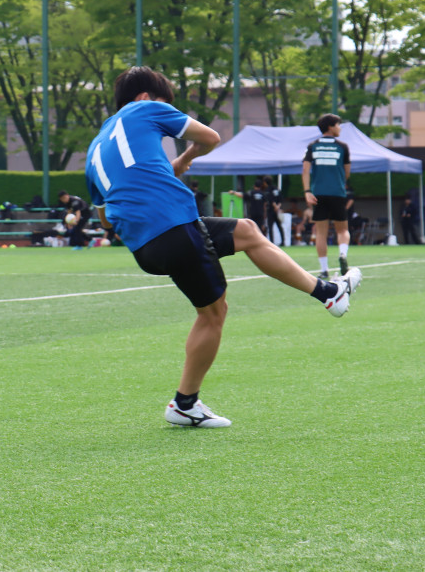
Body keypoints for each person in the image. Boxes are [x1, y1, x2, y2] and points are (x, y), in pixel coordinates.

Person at [84, 66, 361, 428]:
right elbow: (210, 137)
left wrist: (162, 175)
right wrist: (185, 159)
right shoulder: (145, 109)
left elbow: (105, 221)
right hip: (174, 226)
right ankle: (185, 404)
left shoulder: (94, 149)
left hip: (145, 247)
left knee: (246, 231)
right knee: (213, 314)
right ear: (145, 97)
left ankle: (328, 293)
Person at [302, 113, 352, 278]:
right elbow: (347, 172)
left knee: (321, 233)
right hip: (337, 192)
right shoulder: (342, 147)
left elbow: (305, 170)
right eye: (338, 125)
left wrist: (307, 191)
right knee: (342, 230)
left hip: (318, 194)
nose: (340, 128)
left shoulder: (312, 146)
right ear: (330, 127)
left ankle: (324, 270)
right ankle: (343, 254)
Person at [263, 175, 283, 245]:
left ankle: (272, 242)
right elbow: (280, 198)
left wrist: (275, 206)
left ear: (265, 182)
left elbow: (271, 199)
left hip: (271, 210)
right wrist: (278, 207)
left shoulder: (268, 190)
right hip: (277, 210)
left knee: (270, 226)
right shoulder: (276, 188)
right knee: (279, 226)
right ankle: (283, 241)